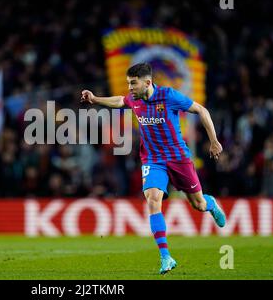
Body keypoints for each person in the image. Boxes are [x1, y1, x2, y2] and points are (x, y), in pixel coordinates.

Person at [80, 62, 226, 275]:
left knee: (198, 204)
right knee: (152, 198)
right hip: (153, 160)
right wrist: (94, 99)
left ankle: (210, 204)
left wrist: (214, 141)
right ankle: (166, 256)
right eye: (128, 83)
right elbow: (120, 101)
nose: (129, 88)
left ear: (148, 82)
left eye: (133, 83)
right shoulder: (134, 99)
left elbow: (201, 110)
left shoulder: (169, 96)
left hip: (178, 158)